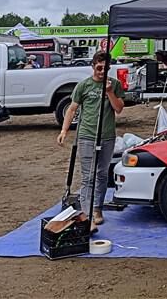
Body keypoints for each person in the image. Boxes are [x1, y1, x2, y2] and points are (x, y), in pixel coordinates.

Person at [56, 51, 124, 232]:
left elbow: (119, 109)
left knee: (102, 174)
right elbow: (72, 109)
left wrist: (109, 92)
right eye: (99, 68)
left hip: (107, 136)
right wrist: (64, 130)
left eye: (105, 68)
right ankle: (87, 216)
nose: (102, 72)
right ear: (93, 66)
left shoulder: (114, 85)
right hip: (86, 135)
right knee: (88, 176)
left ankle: (97, 210)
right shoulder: (83, 86)